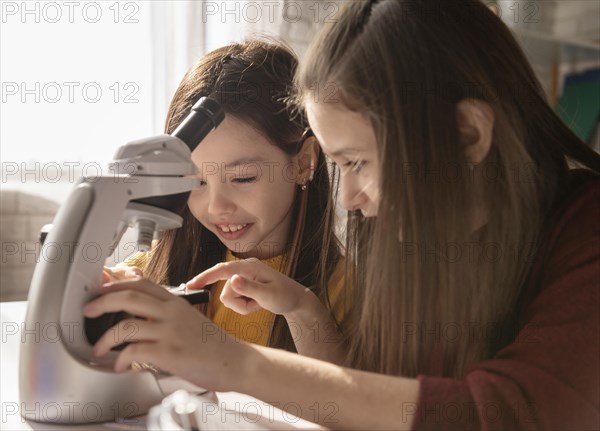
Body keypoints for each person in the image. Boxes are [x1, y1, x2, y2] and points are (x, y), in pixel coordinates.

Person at [85, 1, 600, 429]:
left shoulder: (584, 231)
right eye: (339, 165)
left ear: (467, 134)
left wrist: (235, 363)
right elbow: (377, 396)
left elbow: (508, 413)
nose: (349, 197)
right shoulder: (412, 244)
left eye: (359, 162)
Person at [104, 39, 348, 361]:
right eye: (196, 181)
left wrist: (302, 310)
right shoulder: (150, 276)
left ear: (303, 164)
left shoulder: (346, 291)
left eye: (243, 178)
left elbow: (341, 402)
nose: (217, 207)